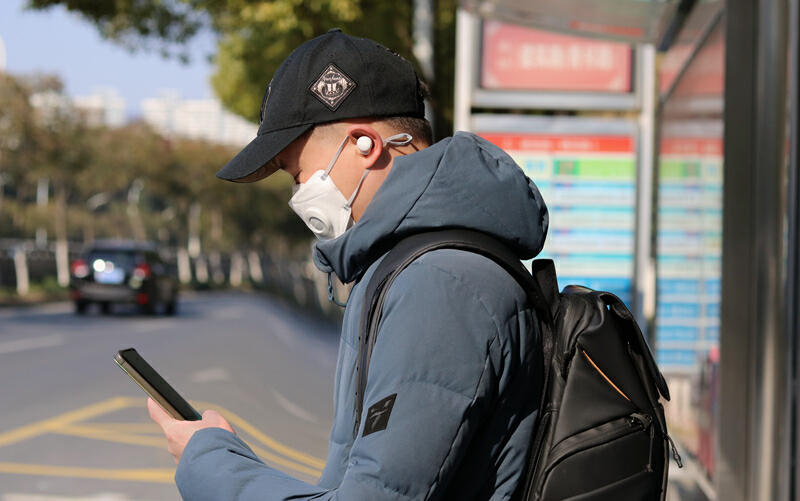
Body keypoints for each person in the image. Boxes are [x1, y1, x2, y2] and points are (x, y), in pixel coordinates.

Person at [148, 28, 549, 500]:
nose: (300, 196)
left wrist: (207, 463)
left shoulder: (439, 283)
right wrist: (226, 459)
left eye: (299, 174)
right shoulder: (421, 266)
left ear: (364, 144)